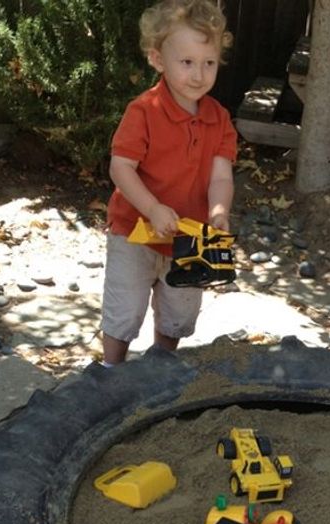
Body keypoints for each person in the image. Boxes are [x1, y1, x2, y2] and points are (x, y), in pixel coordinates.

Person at [101, 0, 236, 366]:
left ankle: (160, 369)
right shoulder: (144, 111)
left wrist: (219, 211)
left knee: (179, 312)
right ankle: (109, 370)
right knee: (125, 309)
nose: (198, 74)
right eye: (187, 62)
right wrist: (152, 208)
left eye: (208, 63)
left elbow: (221, 174)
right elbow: (121, 168)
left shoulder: (219, 118)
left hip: (188, 236)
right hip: (135, 230)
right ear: (158, 60)